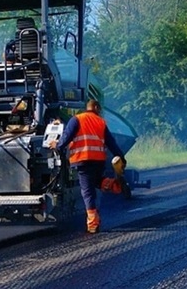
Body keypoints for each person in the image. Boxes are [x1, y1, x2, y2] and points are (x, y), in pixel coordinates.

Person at [49, 99, 128, 234]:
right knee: (97, 181)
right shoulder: (101, 122)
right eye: (100, 109)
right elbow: (111, 143)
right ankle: (114, 184)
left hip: (82, 160)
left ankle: (93, 223)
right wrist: (121, 157)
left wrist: (58, 145)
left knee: (87, 192)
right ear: (96, 107)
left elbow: (67, 136)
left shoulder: (76, 119)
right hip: (98, 160)